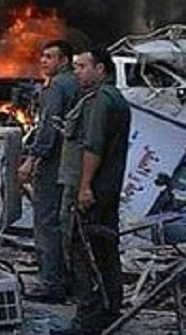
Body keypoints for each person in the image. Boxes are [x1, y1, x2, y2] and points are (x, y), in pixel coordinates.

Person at [56, 48, 131, 335]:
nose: (77, 71)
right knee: (105, 250)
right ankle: (110, 310)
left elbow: (93, 147)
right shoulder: (114, 98)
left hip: (92, 191)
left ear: (101, 70)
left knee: (83, 253)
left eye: (82, 66)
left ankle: (87, 321)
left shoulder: (102, 101)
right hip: (107, 190)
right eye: (75, 66)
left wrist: (85, 186)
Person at [17, 39, 81, 302]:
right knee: (65, 223)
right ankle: (69, 280)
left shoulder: (56, 86)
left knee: (46, 222)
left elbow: (48, 127)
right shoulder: (79, 83)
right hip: (72, 164)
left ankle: (50, 284)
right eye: (42, 56)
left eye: (49, 57)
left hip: (53, 163)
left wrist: (32, 159)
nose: (43, 61)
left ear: (64, 60)